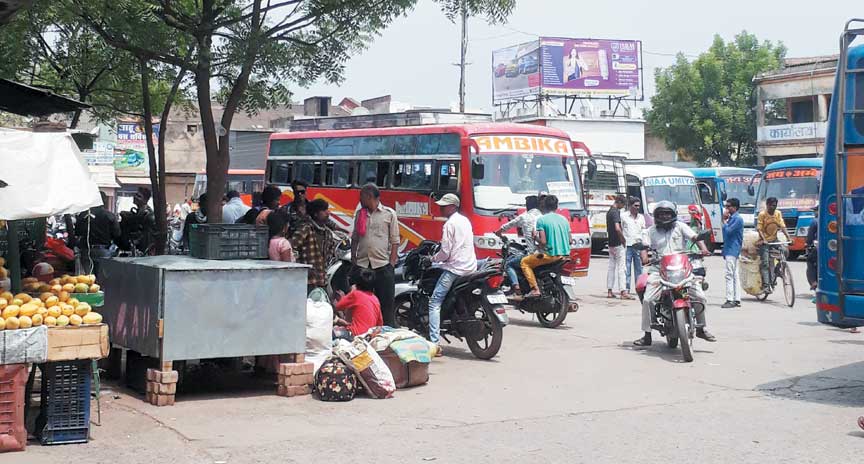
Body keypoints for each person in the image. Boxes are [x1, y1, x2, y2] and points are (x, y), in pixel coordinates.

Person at [633, 200, 715, 347]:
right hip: (659, 269)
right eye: (661, 214)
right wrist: (644, 258)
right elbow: (644, 246)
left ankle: (701, 328)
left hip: (681, 268)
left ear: (673, 215)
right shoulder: (650, 231)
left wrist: (703, 249)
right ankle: (647, 334)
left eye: (667, 214)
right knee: (648, 300)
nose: (664, 217)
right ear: (656, 216)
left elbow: (695, 237)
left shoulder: (680, 226)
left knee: (700, 296)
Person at [428, 193, 477, 352]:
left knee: (434, 302)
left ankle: (434, 343)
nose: (441, 209)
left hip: (455, 269)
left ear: (453, 207)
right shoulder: (465, 220)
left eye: (444, 206)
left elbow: (445, 252)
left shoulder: (450, 224)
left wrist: (432, 259)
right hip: (470, 267)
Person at [351, 183, 400, 327]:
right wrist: (354, 257)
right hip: (363, 265)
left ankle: (386, 334)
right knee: (361, 304)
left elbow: (395, 241)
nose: (360, 200)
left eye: (361, 196)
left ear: (369, 196)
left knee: (385, 306)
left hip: (382, 266)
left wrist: (391, 264)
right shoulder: (360, 214)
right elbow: (355, 237)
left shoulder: (389, 214)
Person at [521, 195, 572, 298]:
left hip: (550, 256)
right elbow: (570, 241)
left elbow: (543, 242)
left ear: (543, 206)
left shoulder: (542, 220)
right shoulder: (564, 220)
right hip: (564, 256)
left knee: (524, 262)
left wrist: (535, 237)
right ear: (556, 206)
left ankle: (535, 289)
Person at [494, 195, 542, 293]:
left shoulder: (524, 216)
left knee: (508, 264)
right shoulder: (543, 217)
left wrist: (498, 233)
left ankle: (517, 289)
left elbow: (509, 225)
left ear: (527, 206)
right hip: (544, 252)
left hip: (532, 253)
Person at [291, 198, 338, 294]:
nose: (328, 213)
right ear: (315, 214)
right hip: (306, 281)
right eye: (324, 210)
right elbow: (291, 248)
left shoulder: (328, 233)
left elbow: (330, 255)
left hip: (322, 281)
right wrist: (302, 267)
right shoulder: (305, 229)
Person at [75, 191, 121, 277]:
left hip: (86, 251)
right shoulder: (110, 215)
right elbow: (117, 234)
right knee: (103, 279)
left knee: (88, 279)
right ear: (103, 201)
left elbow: (77, 232)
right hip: (104, 251)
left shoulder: (83, 215)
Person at [333, 268, 383, 340]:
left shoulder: (355, 294)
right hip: (369, 336)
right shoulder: (375, 299)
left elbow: (338, 306)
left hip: (355, 335)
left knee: (332, 332)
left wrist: (348, 294)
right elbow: (380, 323)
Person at [756, 197, 787, 291]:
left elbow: (782, 226)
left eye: (775, 205)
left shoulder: (778, 213)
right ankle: (766, 285)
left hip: (774, 240)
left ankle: (777, 270)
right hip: (764, 241)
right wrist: (764, 239)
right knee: (765, 263)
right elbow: (759, 229)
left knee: (785, 251)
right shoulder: (762, 214)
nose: (773, 207)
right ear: (767, 205)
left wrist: (789, 238)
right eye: (772, 205)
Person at [119, 187, 157, 255]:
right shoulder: (139, 211)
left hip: (144, 249)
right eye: (135, 195)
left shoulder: (148, 215)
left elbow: (148, 234)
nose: (135, 197)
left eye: (139, 196)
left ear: (145, 200)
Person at [721, 198, 744, 308]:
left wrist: (724, 221)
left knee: (729, 274)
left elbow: (728, 231)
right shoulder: (732, 218)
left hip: (733, 249)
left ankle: (730, 299)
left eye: (728, 206)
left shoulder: (737, 219)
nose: (727, 208)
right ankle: (736, 298)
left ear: (734, 207)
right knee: (734, 274)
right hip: (730, 248)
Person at [621, 196, 646, 296]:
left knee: (639, 269)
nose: (637, 208)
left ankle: (639, 288)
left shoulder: (641, 217)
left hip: (638, 246)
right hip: (627, 245)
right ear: (630, 206)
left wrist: (644, 246)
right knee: (626, 268)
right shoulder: (624, 216)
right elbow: (620, 230)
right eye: (635, 206)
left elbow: (644, 231)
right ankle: (626, 288)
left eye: (639, 206)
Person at [606, 195, 629, 299]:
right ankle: (623, 291)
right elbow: (617, 228)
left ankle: (609, 291)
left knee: (611, 267)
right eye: (623, 205)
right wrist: (623, 239)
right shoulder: (615, 212)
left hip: (610, 243)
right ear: (619, 202)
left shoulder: (609, 212)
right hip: (618, 244)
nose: (623, 207)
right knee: (621, 268)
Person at [806, 203, 819, 293]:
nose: (814, 212)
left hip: (817, 247)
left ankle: (813, 282)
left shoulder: (814, 221)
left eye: (815, 211)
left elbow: (810, 237)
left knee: (810, 261)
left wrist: (807, 244)